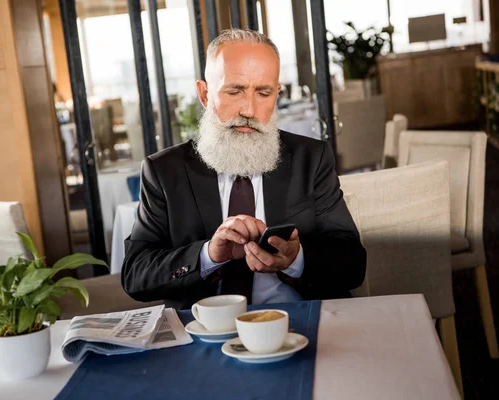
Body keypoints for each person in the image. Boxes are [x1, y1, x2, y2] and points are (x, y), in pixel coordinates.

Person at [121, 29, 366, 310]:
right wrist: (207, 256)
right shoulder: (164, 171)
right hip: (205, 331)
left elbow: (353, 265)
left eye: (263, 93)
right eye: (235, 91)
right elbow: (135, 275)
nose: (249, 110)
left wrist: (296, 259)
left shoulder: (311, 159)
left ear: (277, 94)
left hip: (298, 320)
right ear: (204, 93)